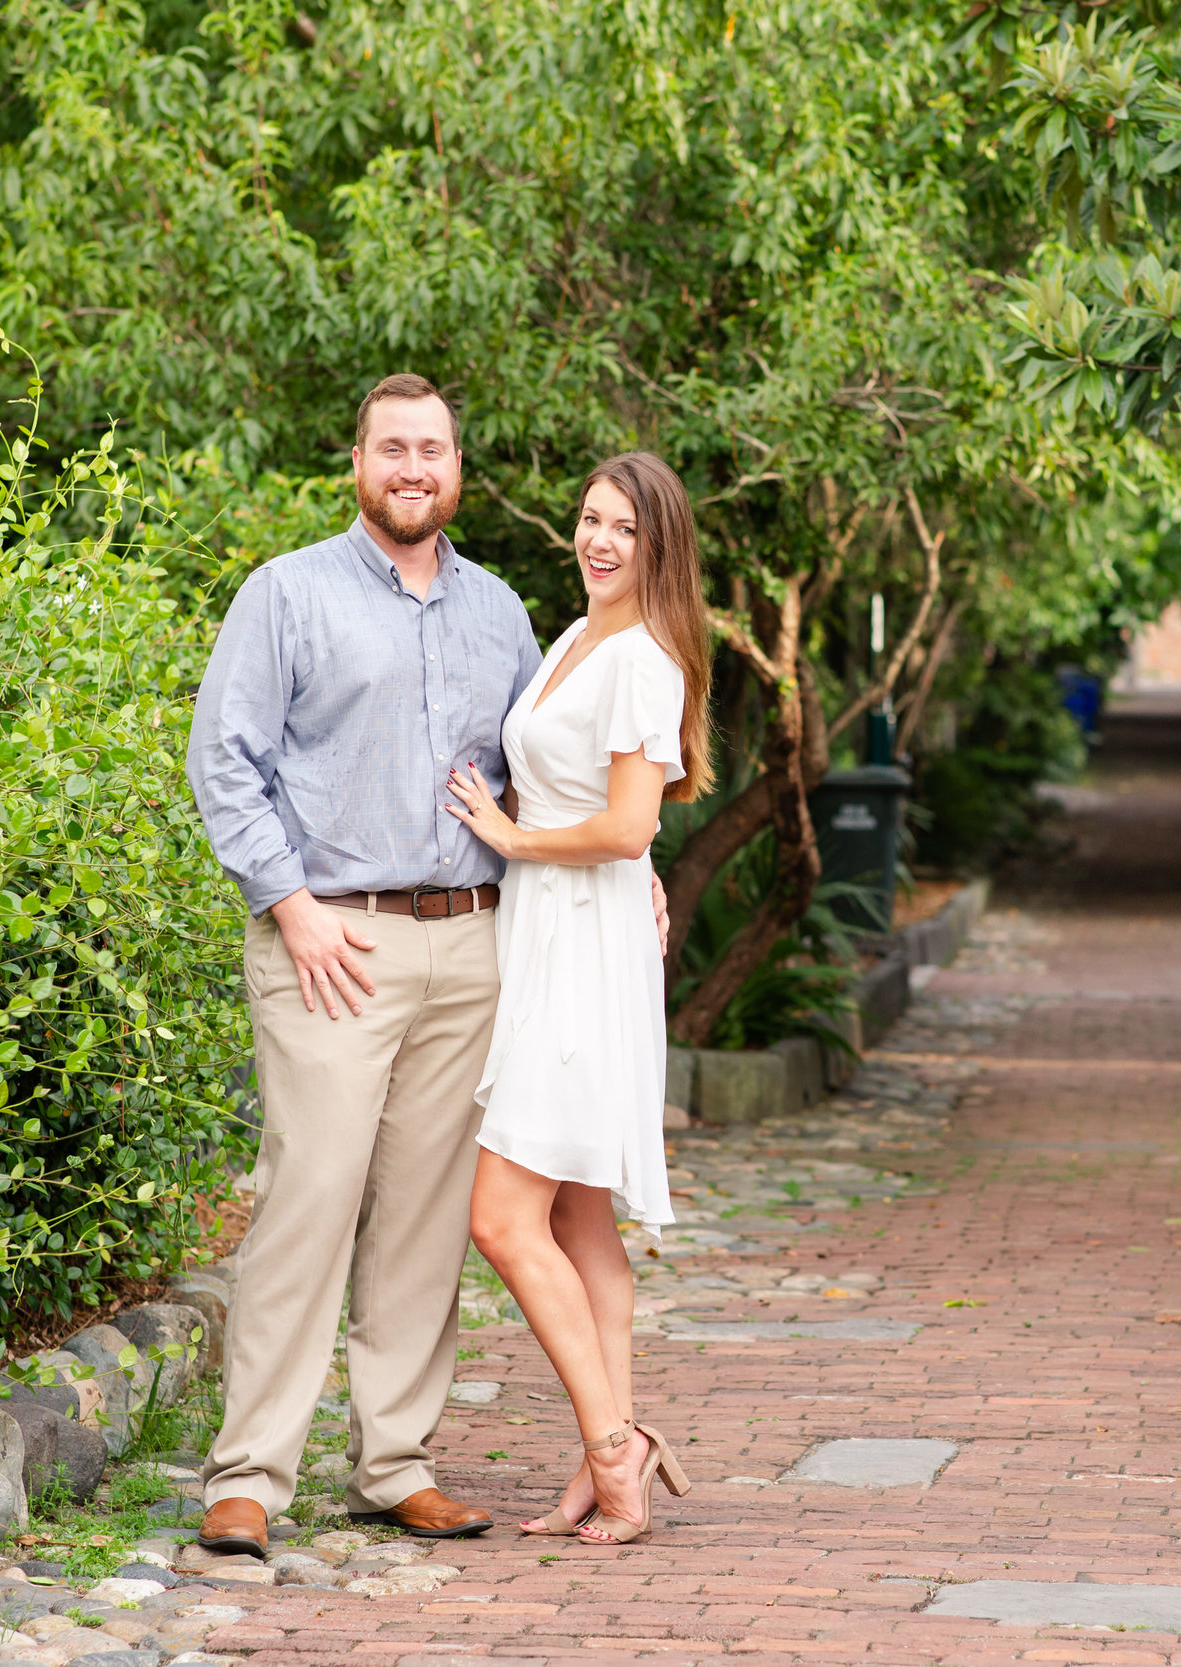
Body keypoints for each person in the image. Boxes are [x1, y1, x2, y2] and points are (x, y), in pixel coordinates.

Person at [183, 375, 670, 1552]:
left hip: (478, 942)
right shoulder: (286, 593)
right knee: (310, 1195)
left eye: (434, 449)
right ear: (357, 459)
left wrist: (635, 861)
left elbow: (560, 772)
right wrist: (288, 903)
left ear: (458, 467)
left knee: (423, 1218)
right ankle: (248, 1473)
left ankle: (394, 1459)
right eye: (392, 447)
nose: (414, 466)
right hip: (333, 941)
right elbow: (223, 758)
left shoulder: (502, 610)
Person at [442, 452, 711, 1545]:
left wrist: (513, 838)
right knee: (578, 1217)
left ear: (658, 545)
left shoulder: (644, 659)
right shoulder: (575, 635)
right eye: (590, 520)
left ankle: (614, 1446)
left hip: (581, 948)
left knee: (503, 1216)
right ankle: (616, 1439)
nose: (598, 540)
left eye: (622, 528)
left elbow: (630, 824)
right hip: (550, 931)